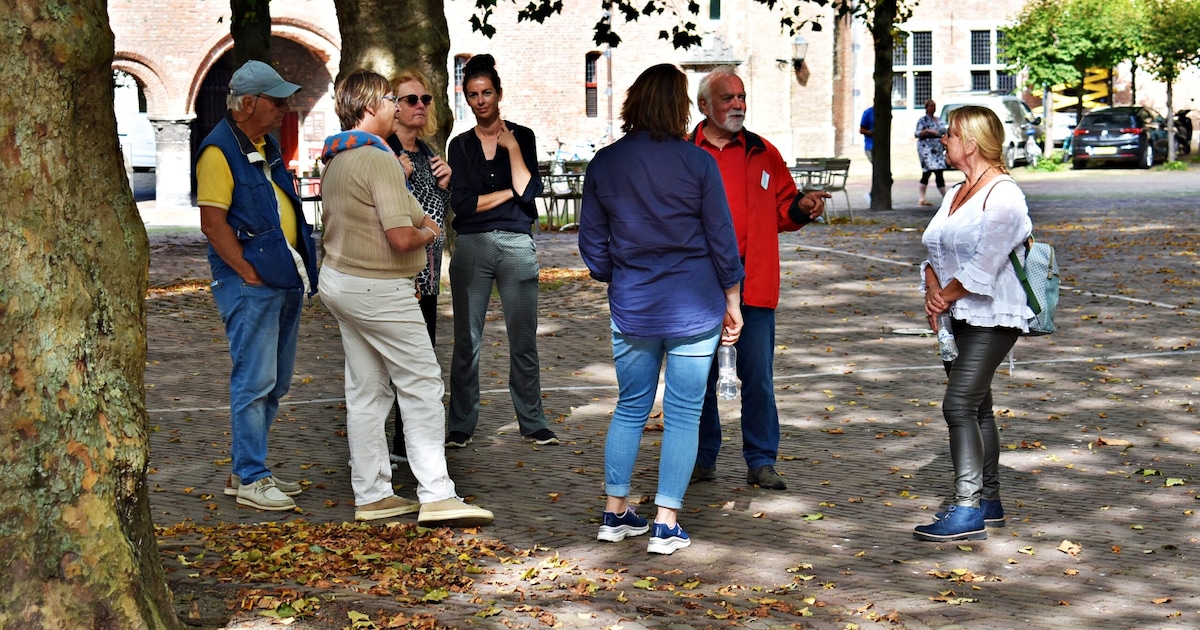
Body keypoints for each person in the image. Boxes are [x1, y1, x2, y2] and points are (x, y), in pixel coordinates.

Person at [578, 63, 745, 555]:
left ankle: (615, 512)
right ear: (680, 107)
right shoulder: (698, 163)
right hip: (694, 302)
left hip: (633, 302)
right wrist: (732, 298)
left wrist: (616, 273)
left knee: (630, 406)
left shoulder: (605, 163)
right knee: (684, 413)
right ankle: (665, 522)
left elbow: (591, 242)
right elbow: (721, 237)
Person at [317, 69, 493, 527]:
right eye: (390, 100)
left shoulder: (337, 156)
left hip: (342, 282)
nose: (398, 107)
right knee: (422, 384)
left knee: (367, 392)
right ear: (369, 106)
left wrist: (421, 222)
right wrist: (430, 233)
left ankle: (372, 494)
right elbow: (401, 236)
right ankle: (437, 494)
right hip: (377, 287)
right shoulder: (377, 160)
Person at [687, 66, 828, 491]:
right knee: (697, 376)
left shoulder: (764, 152)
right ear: (704, 105)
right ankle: (700, 457)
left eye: (742, 96)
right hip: (697, 284)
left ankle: (761, 460)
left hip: (754, 282)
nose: (738, 105)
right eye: (727, 98)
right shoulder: (684, 153)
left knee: (758, 376)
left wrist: (802, 207)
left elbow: (785, 208)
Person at [197, 60, 317, 511]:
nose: (285, 108)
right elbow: (213, 223)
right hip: (253, 283)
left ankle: (247, 469)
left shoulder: (264, 144)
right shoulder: (218, 151)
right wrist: (246, 271)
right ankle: (251, 475)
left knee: (275, 381)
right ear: (248, 104)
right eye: (277, 100)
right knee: (255, 380)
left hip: (280, 278)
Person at [914, 105, 1033, 542]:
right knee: (977, 407)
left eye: (950, 133)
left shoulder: (1004, 196)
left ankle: (967, 508)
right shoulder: (957, 191)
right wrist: (932, 289)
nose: (942, 139)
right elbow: (934, 248)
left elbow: (985, 263)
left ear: (971, 141)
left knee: (958, 405)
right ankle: (989, 502)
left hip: (992, 316)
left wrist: (942, 296)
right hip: (956, 313)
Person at [445, 54, 558, 448]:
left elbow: (530, 190)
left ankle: (533, 421)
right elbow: (463, 205)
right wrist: (511, 192)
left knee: (523, 339)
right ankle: (460, 425)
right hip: (471, 245)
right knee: (467, 341)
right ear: (466, 98)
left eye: (487, 93)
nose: (480, 101)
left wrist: (511, 148)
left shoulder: (522, 136)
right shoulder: (459, 145)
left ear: (498, 93)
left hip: (516, 244)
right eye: (473, 95)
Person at [383, 69, 453, 467]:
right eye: (411, 99)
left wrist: (446, 186)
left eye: (425, 99)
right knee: (397, 366)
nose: (421, 105)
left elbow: (436, 215)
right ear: (393, 106)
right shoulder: (385, 153)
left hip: (426, 279)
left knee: (422, 363)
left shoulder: (428, 154)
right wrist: (398, 175)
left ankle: (408, 443)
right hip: (398, 275)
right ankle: (392, 445)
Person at [915, 99, 948, 206]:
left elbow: (943, 131)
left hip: (937, 149)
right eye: (931, 106)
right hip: (926, 149)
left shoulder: (939, 120)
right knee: (928, 172)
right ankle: (922, 198)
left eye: (934, 106)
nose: (933, 108)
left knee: (939, 172)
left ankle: (945, 197)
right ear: (926, 107)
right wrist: (928, 131)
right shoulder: (923, 120)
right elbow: (917, 133)